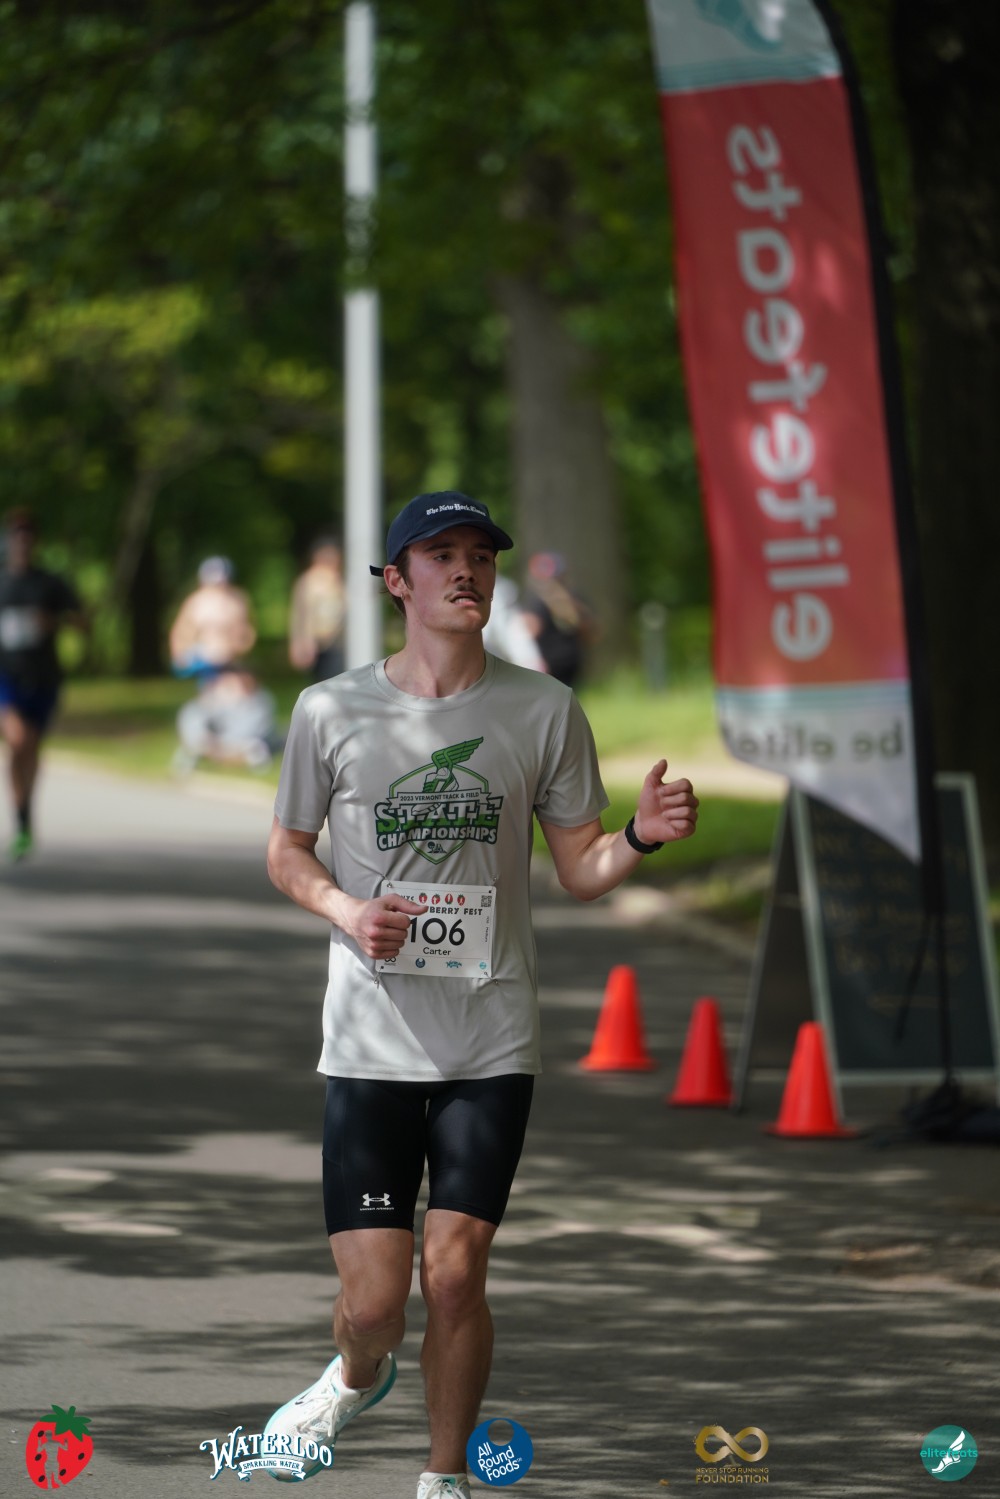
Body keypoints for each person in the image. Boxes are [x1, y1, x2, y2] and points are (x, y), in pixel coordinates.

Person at [263, 490, 698, 1497]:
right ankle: (354, 1373)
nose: (467, 569)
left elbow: (580, 867)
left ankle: (444, 1475)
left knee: (454, 1273)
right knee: (375, 1304)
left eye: (481, 555)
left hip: (490, 1038)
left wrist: (638, 836)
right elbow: (286, 852)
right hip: (371, 1041)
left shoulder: (542, 708)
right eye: (441, 554)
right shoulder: (330, 708)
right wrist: (346, 908)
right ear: (396, 581)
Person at [0, 509, 86, 860]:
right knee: (18, 741)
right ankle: (21, 815)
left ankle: (25, 812)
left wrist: (54, 622)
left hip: (44, 677)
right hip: (6, 677)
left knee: (32, 746)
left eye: (28, 534)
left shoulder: (50, 583)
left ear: (35, 541)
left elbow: (83, 621)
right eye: (16, 534)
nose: (22, 540)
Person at [169, 557, 279, 772]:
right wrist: (187, 655)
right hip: (204, 666)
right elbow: (180, 634)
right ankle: (201, 746)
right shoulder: (196, 602)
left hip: (231, 665)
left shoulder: (237, 601)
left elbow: (247, 633)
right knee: (204, 707)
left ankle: (237, 747)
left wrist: (237, 646)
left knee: (243, 703)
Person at [522, 550, 597, 688]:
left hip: (551, 664)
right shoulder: (573, 599)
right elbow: (591, 632)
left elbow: (529, 632)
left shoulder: (537, 602)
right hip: (567, 663)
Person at [288, 535, 347, 682]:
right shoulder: (309, 581)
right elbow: (302, 614)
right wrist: (302, 641)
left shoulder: (339, 580)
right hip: (317, 642)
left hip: (337, 643)